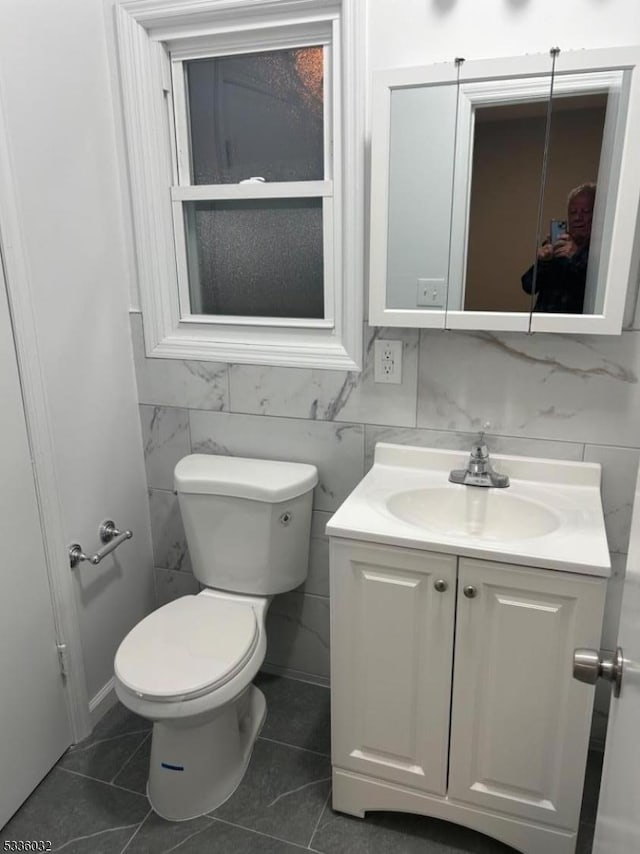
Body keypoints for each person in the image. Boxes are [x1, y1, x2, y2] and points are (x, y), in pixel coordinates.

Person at [522, 182, 596, 313]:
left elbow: (598, 290)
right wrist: (543, 263)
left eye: (585, 212)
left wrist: (575, 255)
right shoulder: (557, 243)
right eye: (573, 212)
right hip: (542, 326)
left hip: (577, 329)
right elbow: (528, 286)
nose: (578, 218)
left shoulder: (601, 250)